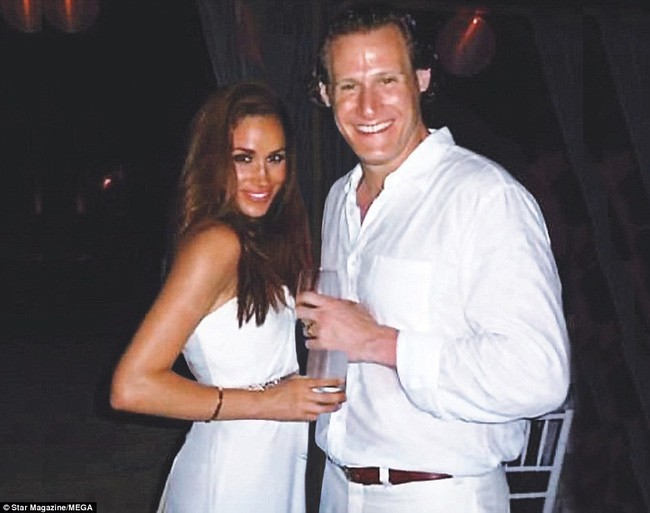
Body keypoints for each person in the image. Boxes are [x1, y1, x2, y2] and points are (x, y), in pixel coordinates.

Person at [296, 3, 571, 512]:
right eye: (349, 86)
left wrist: (378, 342)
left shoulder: (484, 196)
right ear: (325, 93)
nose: (368, 106)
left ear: (422, 78)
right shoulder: (339, 198)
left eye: (387, 80)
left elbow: (539, 375)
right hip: (338, 490)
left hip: (440, 494)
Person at [110, 82, 345, 513]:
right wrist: (269, 401)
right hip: (228, 481)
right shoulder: (215, 244)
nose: (263, 178)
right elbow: (131, 387)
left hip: (268, 471)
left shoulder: (256, 241)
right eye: (244, 158)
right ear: (214, 160)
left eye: (275, 158)